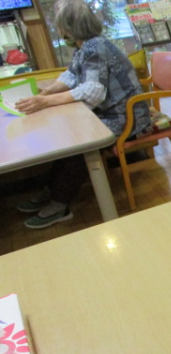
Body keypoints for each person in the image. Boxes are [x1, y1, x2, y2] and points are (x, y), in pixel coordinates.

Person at [15, 0, 151, 229]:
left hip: (127, 117)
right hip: (110, 112)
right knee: (67, 138)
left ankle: (59, 203)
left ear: (69, 28)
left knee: (78, 144)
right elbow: (70, 76)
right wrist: (46, 93)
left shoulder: (95, 48)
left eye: (61, 26)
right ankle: (53, 191)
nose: (59, 30)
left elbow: (93, 92)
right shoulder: (85, 46)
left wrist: (45, 101)